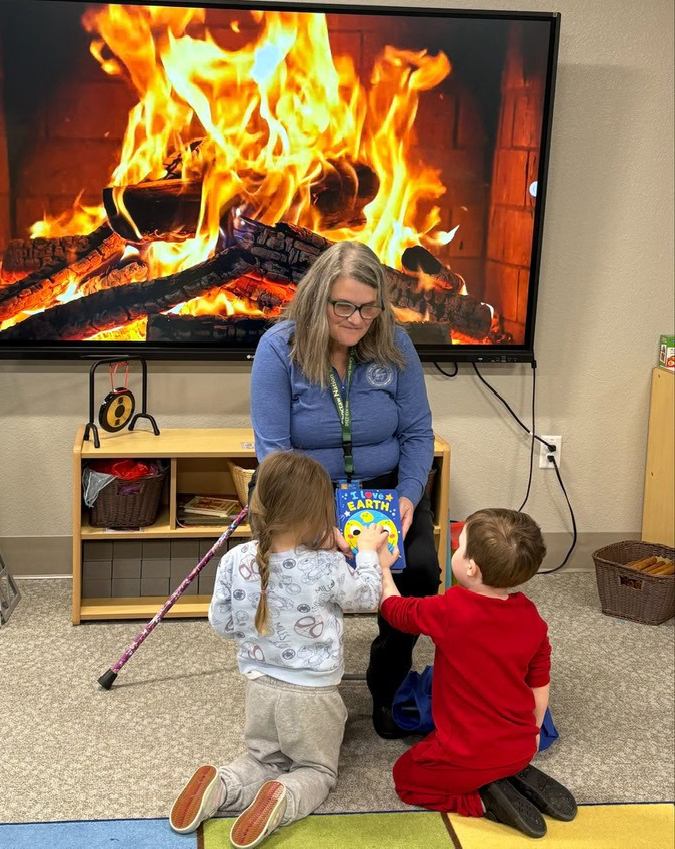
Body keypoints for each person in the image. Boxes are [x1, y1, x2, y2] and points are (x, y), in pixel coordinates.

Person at [250, 240, 440, 738]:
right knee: (297, 574)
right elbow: (273, 450)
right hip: (307, 494)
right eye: (344, 306)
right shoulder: (278, 348)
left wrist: (409, 495)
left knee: (419, 571)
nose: (358, 320)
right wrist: (316, 519)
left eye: (368, 308)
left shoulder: (395, 342)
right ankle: (299, 691)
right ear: (318, 300)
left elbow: (419, 433)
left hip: (385, 491)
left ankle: (388, 683)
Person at [169, 451, 398, 848]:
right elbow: (367, 597)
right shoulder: (325, 566)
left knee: (264, 759)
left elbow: (222, 624)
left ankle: (222, 786)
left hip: (259, 685)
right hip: (312, 693)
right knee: (316, 769)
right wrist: (366, 553)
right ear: (318, 515)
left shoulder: (235, 559)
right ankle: (285, 795)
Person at [380, 508, 578, 839]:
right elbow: (539, 682)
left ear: (470, 568)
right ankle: (508, 772)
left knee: (406, 777)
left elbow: (395, 610)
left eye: (458, 547)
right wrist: (533, 731)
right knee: (491, 754)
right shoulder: (531, 617)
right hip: (523, 745)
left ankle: (482, 799)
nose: (455, 550)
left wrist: (382, 568)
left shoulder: (450, 609)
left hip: (466, 752)